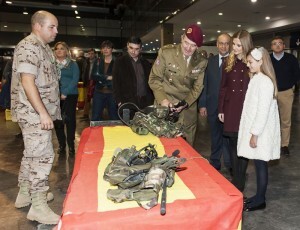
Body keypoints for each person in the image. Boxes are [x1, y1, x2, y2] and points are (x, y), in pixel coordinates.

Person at [10, 10, 60, 225]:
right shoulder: (29, 46)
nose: (56, 31)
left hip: (37, 112)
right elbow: (28, 81)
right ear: (38, 26)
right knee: (43, 156)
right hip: (34, 114)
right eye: (52, 27)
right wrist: (42, 113)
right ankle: (38, 206)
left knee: (31, 155)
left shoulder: (44, 48)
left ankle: (25, 193)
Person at [149, 24, 207, 146]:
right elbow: (154, 79)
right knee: (162, 147)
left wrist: (185, 103)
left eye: (193, 45)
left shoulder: (201, 61)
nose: (188, 48)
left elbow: (197, 87)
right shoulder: (166, 53)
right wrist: (163, 100)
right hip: (165, 107)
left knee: (186, 150)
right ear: (182, 38)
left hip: (187, 111)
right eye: (186, 42)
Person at [238, 47, 280, 211]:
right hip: (256, 129)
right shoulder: (257, 78)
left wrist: (255, 134)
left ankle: (261, 199)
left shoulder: (265, 82)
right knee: (258, 164)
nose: (248, 65)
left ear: (261, 61)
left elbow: (262, 111)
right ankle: (258, 196)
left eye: (251, 62)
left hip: (261, 132)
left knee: (261, 166)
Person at [218, 30, 253, 192]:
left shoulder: (252, 63)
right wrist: (221, 109)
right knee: (233, 145)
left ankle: (239, 181)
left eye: (239, 45)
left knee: (244, 146)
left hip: (246, 108)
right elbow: (223, 88)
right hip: (231, 108)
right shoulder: (228, 62)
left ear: (246, 45)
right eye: (234, 44)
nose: (235, 47)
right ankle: (237, 179)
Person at [199, 33, 231, 172]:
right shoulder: (210, 62)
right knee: (215, 136)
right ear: (217, 45)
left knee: (228, 138)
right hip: (212, 106)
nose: (223, 46)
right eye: (221, 43)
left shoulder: (235, 61)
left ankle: (230, 164)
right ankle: (215, 162)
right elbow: (204, 84)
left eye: (226, 43)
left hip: (229, 107)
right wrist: (203, 104)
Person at [270, 36, 300, 156]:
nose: (277, 45)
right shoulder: (267, 59)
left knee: (285, 120)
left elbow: (297, 74)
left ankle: (284, 145)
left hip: (286, 93)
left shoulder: (291, 58)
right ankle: (272, 142)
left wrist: (291, 85)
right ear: (271, 46)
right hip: (270, 93)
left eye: (280, 43)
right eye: (274, 43)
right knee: (270, 119)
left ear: (283, 46)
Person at [113, 36, 154, 111]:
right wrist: (119, 101)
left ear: (140, 49)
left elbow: (150, 82)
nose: (133, 51)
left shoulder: (146, 63)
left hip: (145, 102)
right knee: (128, 123)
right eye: (131, 48)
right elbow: (115, 82)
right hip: (127, 102)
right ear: (127, 46)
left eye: (136, 49)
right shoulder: (119, 62)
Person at [53, 41, 79, 157]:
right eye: (57, 48)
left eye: (62, 48)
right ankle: (62, 145)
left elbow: (75, 79)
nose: (59, 50)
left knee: (70, 121)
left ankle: (71, 145)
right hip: (54, 96)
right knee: (57, 121)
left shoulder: (73, 64)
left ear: (66, 51)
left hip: (70, 95)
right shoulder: (51, 64)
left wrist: (65, 92)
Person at [91, 40, 118, 121]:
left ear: (112, 50)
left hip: (112, 93)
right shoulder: (98, 61)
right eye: (103, 48)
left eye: (108, 48)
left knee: (114, 117)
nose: (105, 50)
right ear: (101, 50)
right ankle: (95, 133)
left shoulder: (117, 61)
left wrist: (100, 78)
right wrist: (107, 78)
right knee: (95, 117)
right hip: (99, 92)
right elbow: (93, 75)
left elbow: (117, 77)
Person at [81, 48, 97, 120]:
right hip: (87, 82)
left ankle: (95, 115)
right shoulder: (86, 62)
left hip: (95, 83)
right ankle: (85, 114)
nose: (90, 55)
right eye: (89, 54)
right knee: (86, 99)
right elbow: (84, 71)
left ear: (95, 54)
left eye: (92, 53)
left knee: (95, 100)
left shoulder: (98, 62)